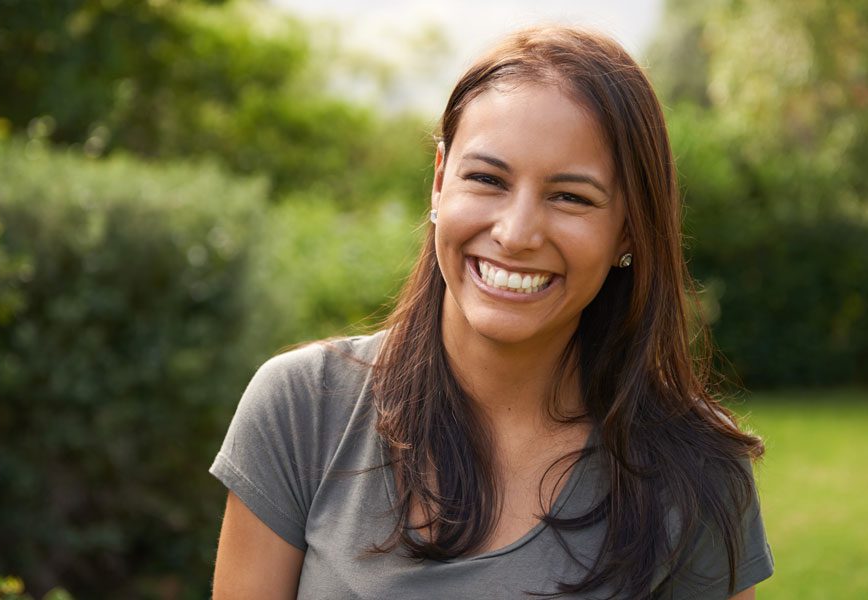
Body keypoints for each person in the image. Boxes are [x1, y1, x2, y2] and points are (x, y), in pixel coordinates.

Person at [209, 25, 773, 599]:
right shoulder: (302, 410)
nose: (516, 233)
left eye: (570, 197)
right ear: (438, 181)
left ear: (628, 228)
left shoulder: (698, 472)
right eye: (486, 179)